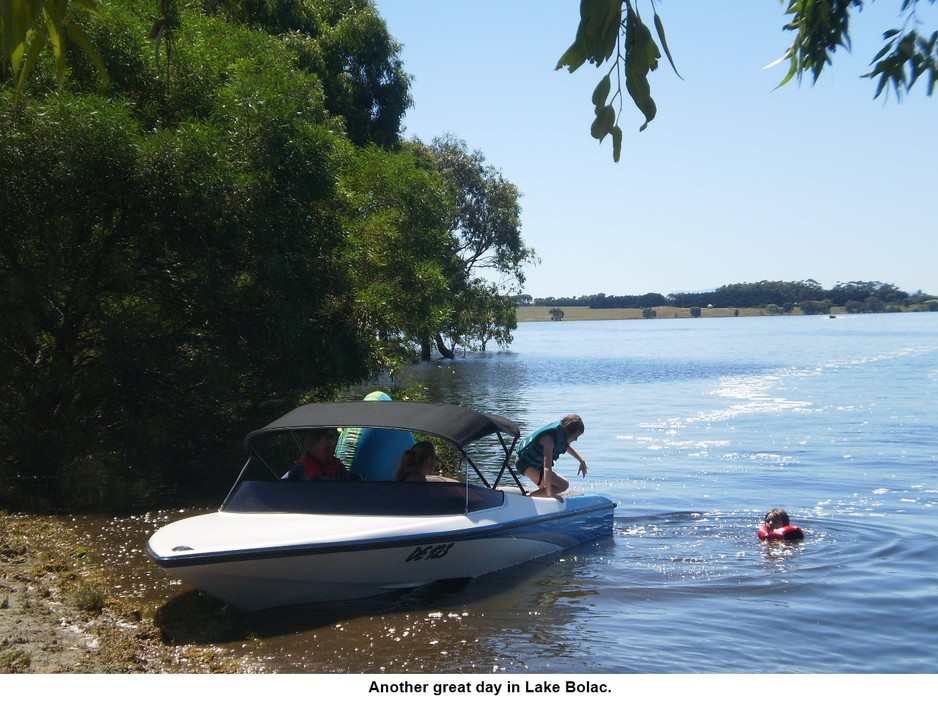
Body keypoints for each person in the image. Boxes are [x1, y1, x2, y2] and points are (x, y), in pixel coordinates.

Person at [515, 414, 588, 498]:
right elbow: (547, 467)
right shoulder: (549, 440)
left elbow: (566, 446)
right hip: (525, 465)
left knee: (548, 487)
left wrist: (581, 461)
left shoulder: (560, 435)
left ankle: (536, 497)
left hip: (533, 465)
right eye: (575, 436)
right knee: (563, 485)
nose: (575, 439)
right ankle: (527, 498)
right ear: (568, 432)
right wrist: (549, 494)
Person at [283, 428, 350, 481]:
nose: (332, 452)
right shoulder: (299, 470)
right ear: (314, 450)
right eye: (327, 449)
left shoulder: (340, 469)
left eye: (332, 448)